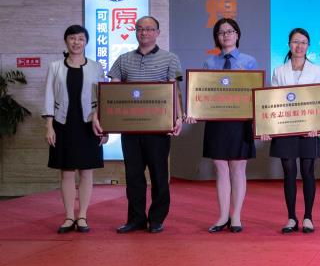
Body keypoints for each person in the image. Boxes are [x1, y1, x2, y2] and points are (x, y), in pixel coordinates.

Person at [101, 16, 183, 234]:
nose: (144, 33)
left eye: (149, 29)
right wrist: (105, 121)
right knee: (133, 176)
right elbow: (112, 92)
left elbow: (174, 91)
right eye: (140, 29)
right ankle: (136, 218)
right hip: (131, 128)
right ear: (135, 31)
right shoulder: (123, 59)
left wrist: (179, 117)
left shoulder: (170, 58)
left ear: (157, 32)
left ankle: (156, 219)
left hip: (159, 128)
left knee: (159, 175)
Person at [187, 18, 257, 233]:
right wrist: (193, 111)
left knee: (238, 168)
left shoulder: (249, 62)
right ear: (216, 37)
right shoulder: (209, 63)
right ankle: (222, 215)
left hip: (240, 122)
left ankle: (236, 216)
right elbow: (201, 93)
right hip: (217, 121)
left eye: (230, 31)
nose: (226, 35)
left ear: (237, 35)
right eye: (221, 32)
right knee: (220, 168)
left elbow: (255, 92)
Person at [43, 25, 107, 233]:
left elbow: (103, 98)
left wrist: (104, 127)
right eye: (72, 38)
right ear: (66, 41)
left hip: (89, 124)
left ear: (86, 42)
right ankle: (69, 216)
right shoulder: (55, 67)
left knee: (86, 172)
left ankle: (82, 216)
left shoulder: (96, 67)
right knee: (67, 172)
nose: (76, 42)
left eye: (80, 38)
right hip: (63, 124)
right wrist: (49, 126)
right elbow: (49, 97)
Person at [263, 28, 320, 234]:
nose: (299, 46)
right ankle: (291, 217)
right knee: (289, 173)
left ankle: (308, 217)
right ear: (289, 44)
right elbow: (272, 101)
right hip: (285, 129)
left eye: (303, 42)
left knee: (308, 172)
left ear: (308, 46)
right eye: (295, 42)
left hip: (309, 130)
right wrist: (267, 128)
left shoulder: (316, 70)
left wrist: (317, 125)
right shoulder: (279, 71)